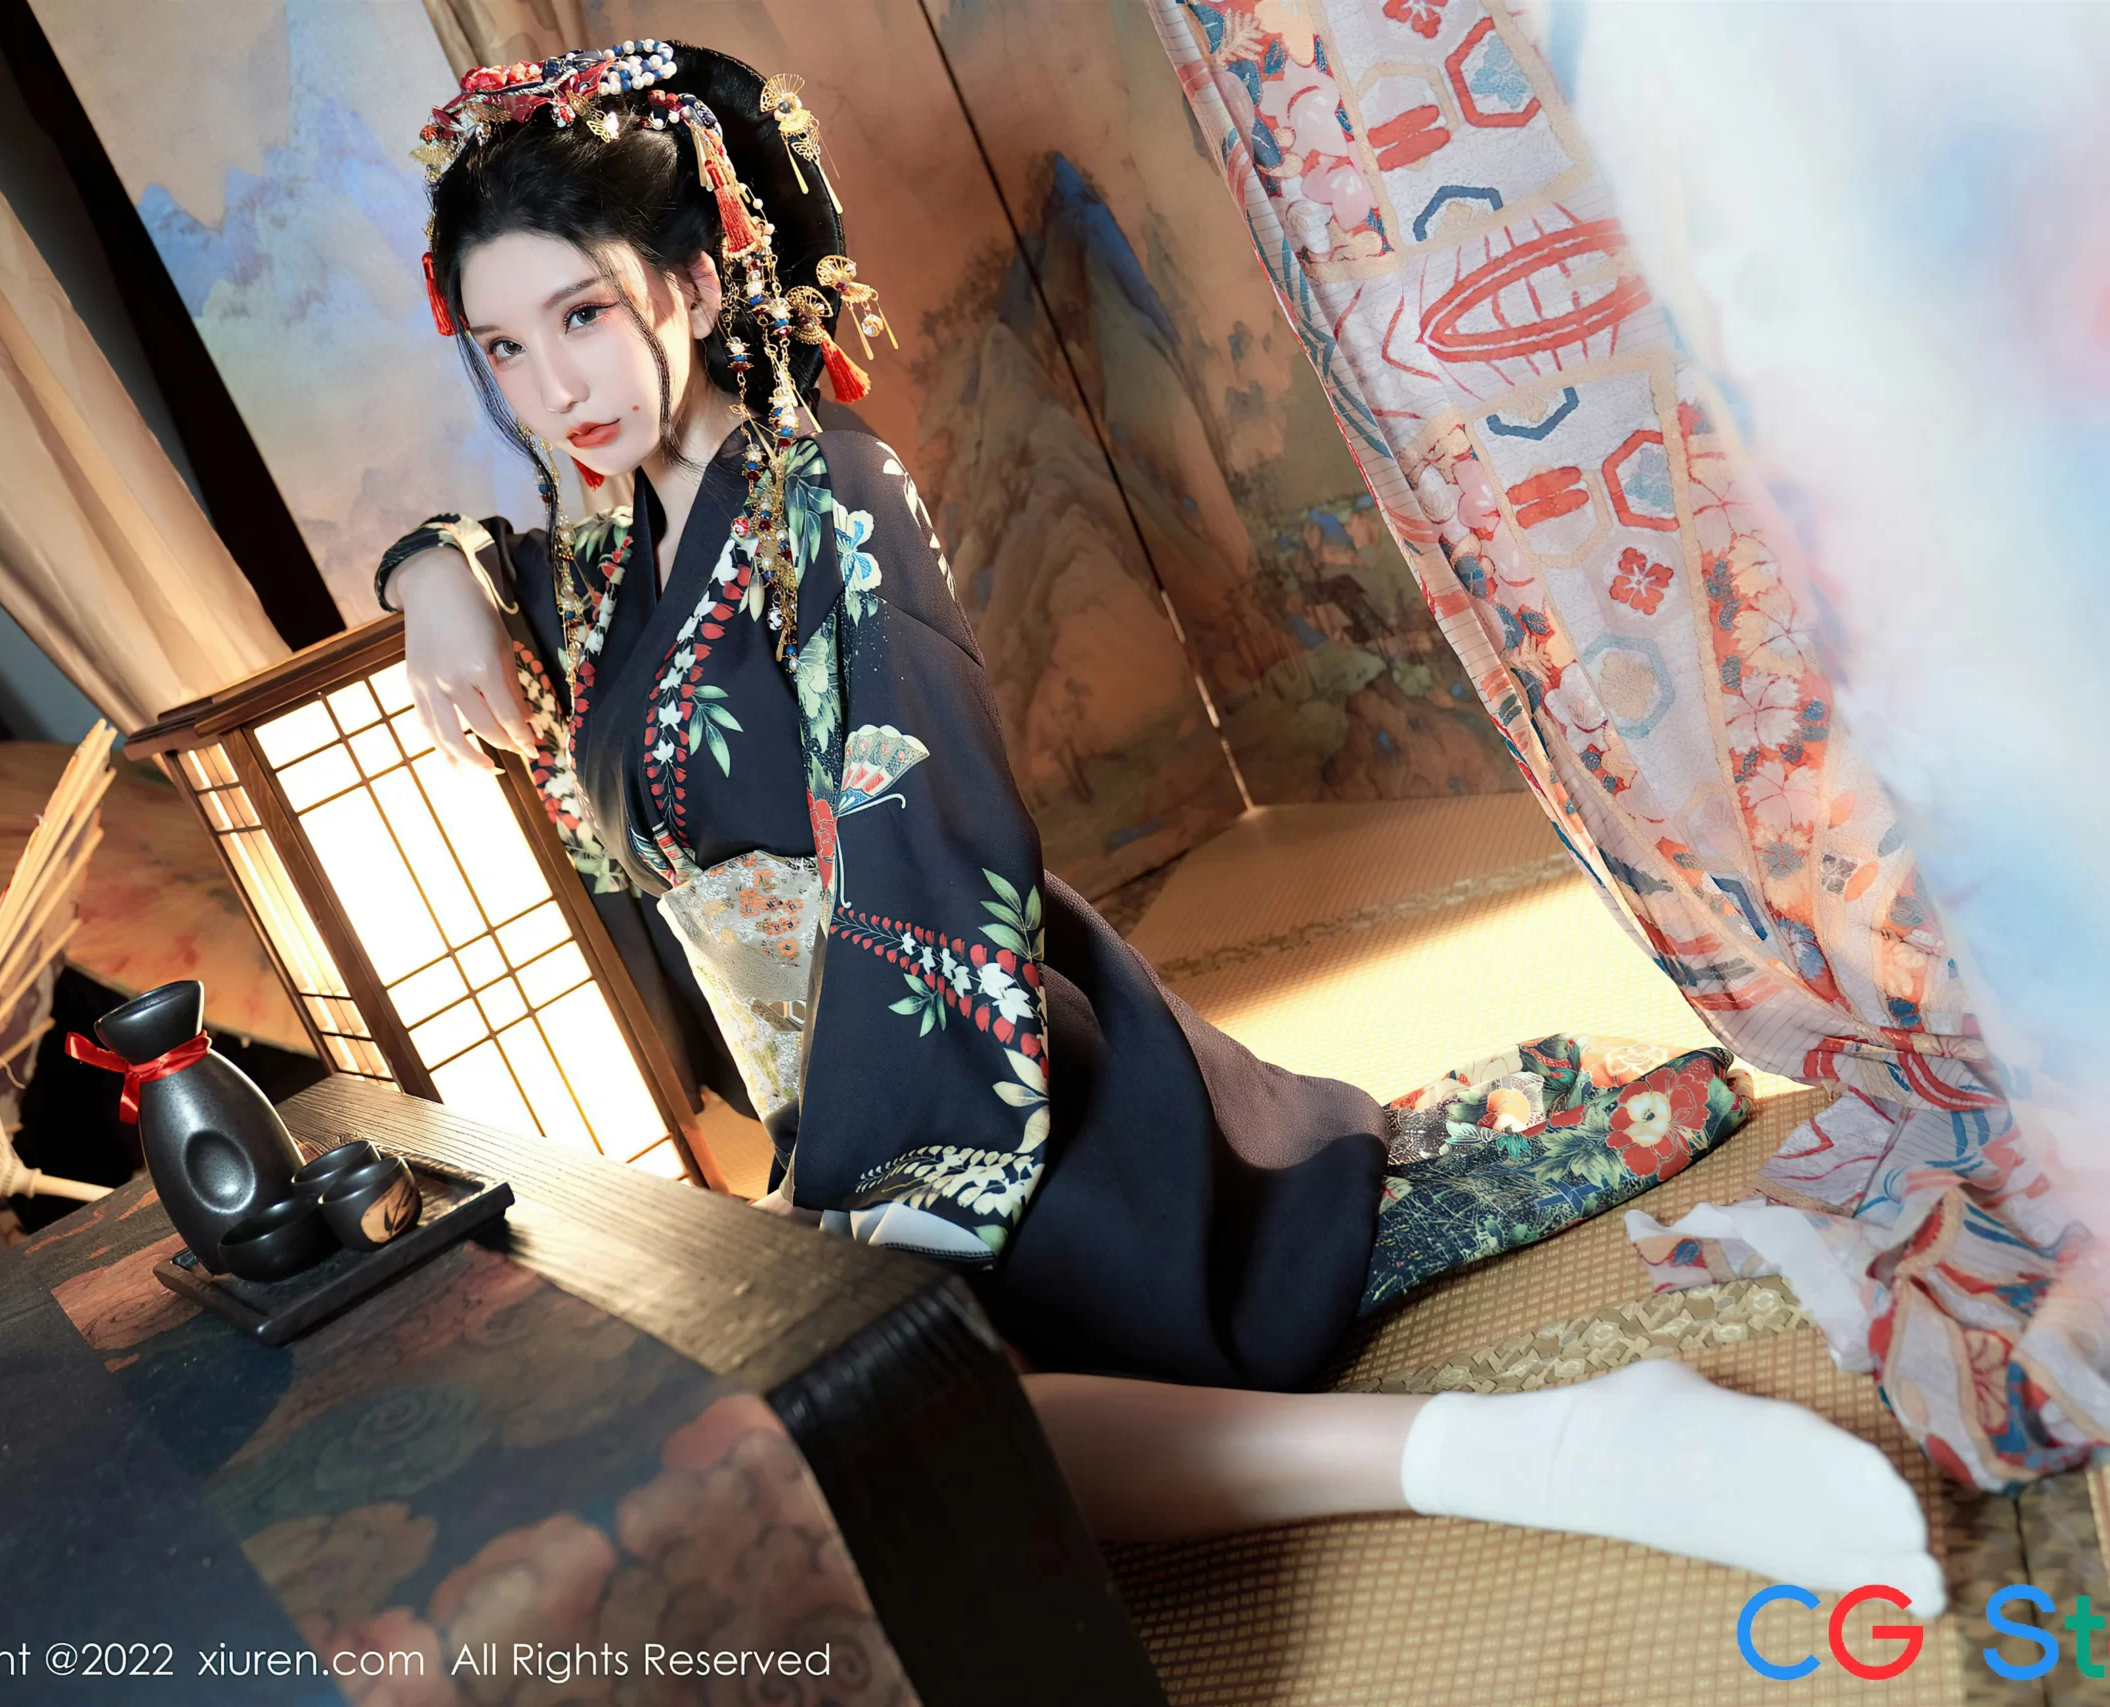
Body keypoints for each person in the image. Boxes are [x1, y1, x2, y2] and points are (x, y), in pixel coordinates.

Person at [378, 41, 1944, 1613]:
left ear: (699, 283)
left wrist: (882, 1199)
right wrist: (430, 567)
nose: (553, 390)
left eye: (583, 316)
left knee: (921, 1424)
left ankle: (1550, 1445)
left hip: (978, 1067)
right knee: (849, 1438)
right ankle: (1539, 1444)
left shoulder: (826, 497)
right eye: (503, 347)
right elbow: (519, 586)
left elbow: (932, 832)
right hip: (832, 1115)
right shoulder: (610, 559)